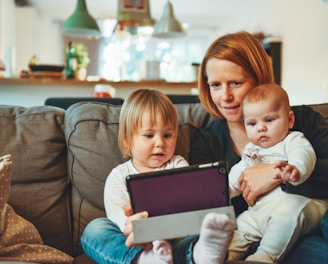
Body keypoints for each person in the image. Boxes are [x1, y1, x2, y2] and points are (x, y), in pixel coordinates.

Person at [189, 31, 328, 262]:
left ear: (259, 79)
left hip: (299, 233)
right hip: (243, 233)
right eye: (215, 85)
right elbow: (208, 205)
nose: (226, 96)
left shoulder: (302, 122)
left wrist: (275, 173)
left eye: (236, 83)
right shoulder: (206, 143)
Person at [81, 88, 234, 264]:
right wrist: (135, 226)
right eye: (149, 135)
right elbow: (119, 220)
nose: (160, 143)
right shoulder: (118, 176)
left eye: (167, 135)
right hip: (136, 242)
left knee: (198, 231)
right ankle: (145, 260)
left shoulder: (178, 164)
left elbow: (190, 204)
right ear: (127, 139)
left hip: (175, 237)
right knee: (94, 229)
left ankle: (202, 254)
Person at [227, 83, 321, 262]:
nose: (261, 128)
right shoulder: (250, 151)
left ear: (290, 120)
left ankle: (264, 257)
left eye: (269, 120)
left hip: (302, 206)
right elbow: (237, 176)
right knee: (240, 224)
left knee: (288, 212)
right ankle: (221, 254)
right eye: (252, 123)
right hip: (260, 212)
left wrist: (295, 169)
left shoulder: (293, 140)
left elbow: (304, 154)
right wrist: (223, 191)